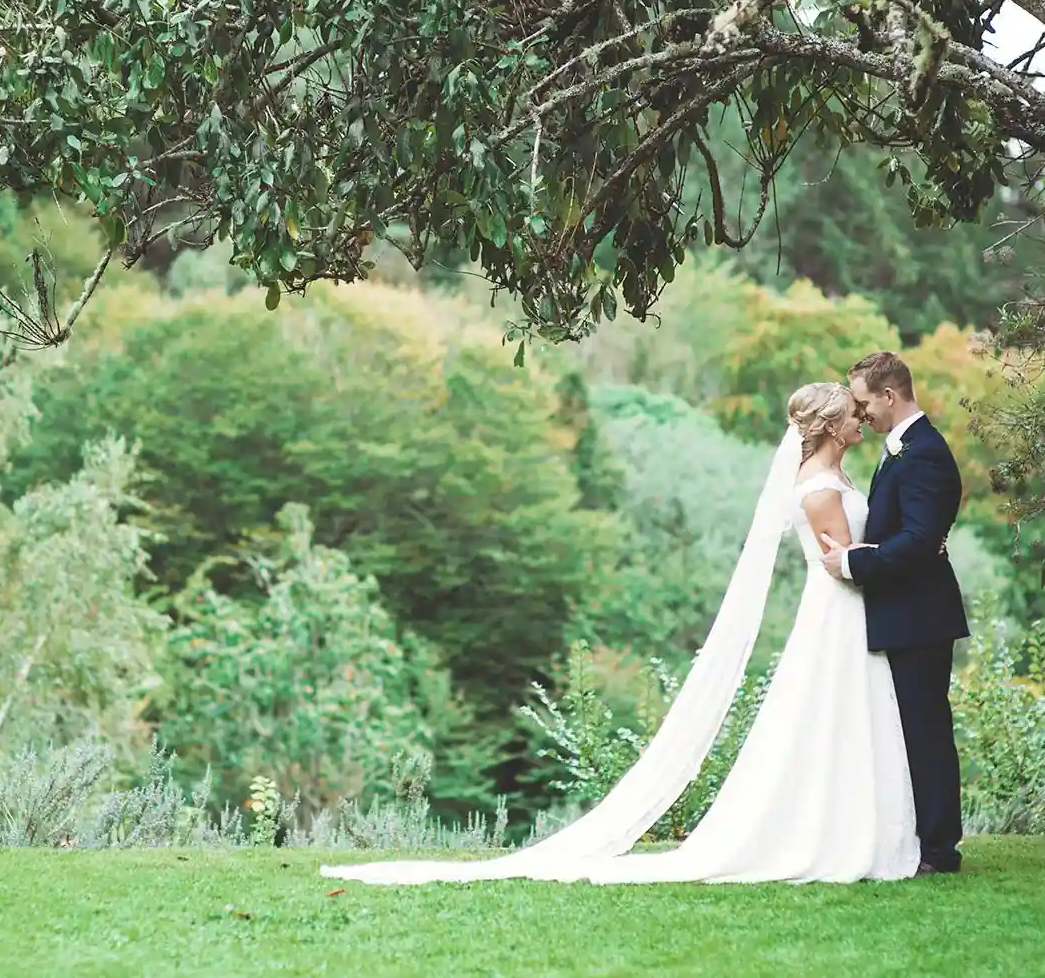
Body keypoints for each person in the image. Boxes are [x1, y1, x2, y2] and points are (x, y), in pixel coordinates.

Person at [322, 376, 941, 887]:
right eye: (853, 414)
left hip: (847, 613)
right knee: (838, 719)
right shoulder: (819, 489)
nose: (862, 419)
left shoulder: (831, 477)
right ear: (832, 426)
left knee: (844, 723)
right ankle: (838, 837)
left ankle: (849, 826)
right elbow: (845, 562)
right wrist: (902, 554)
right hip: (836, 612)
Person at [820, 350, 969, 874]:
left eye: (863, 403)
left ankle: (939, 851)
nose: (860, 414)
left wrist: (854, 563)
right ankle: (916, 841)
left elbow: (919, 539)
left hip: (920, 618)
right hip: (903, 615)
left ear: (889, 395)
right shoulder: (899, 449)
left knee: (926, 734)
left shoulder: (925, 452)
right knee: (908, 732)